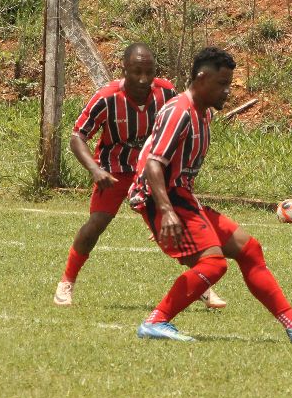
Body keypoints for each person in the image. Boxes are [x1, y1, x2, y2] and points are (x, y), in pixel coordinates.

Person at [128, 46, 292, 342]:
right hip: (163, 198)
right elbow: (153, 164)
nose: (228, 91)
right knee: (213, 264)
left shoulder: (203, 114)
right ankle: (156, 321)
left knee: (249, 249)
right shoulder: (179, 111)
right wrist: (165, 212)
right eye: (222, 83)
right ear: (202, 78)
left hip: (180, 199)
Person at [54, 43, 228, 310]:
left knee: (178, 227)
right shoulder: (107, 97)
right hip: (115, 171)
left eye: (149, 72)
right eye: (137, 72)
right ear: (124, 69)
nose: (144, 79)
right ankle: (66, 282)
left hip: (153, 172)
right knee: (97, 223)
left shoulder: (166, 92)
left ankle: (202, 285)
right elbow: (77, 136)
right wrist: (95, 170)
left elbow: (184, 121)